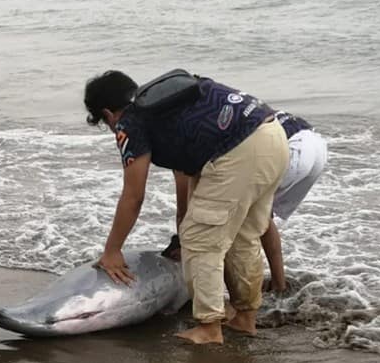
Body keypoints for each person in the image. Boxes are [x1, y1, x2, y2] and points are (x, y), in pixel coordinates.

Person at [84, 70, 289, 344]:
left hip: (239, 149)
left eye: (105, 122)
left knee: (200, 241)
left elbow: (133, 195)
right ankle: (244, 318)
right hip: (272, 134)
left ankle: (209, 328)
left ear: (108, 114)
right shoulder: (168, 99)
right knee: (242, 236)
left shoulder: (129, 122)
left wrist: (112, 251)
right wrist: (185, 226)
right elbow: (189, 176)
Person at [260, 110, 328, 292]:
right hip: (315, 145)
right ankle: (278, 283)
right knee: (262, 218)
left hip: (292, 152)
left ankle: (243, 298)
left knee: (246, 221)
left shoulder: (191, 130)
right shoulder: (231, 105)